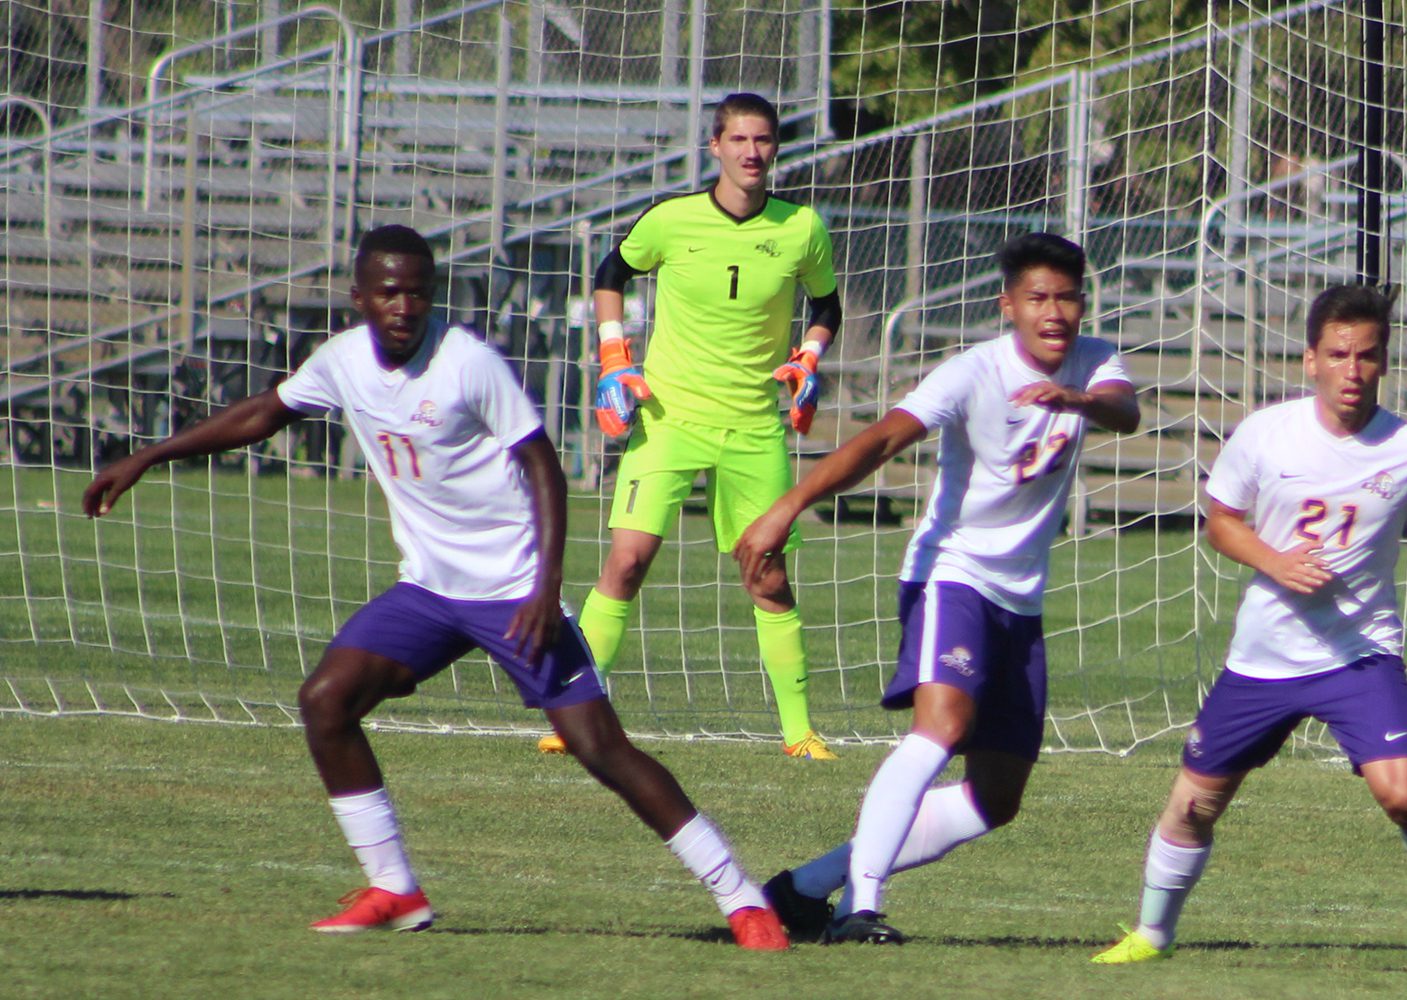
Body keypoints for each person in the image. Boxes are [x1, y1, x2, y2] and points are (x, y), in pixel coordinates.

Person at [82, 225, 789, 950]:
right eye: (388, 291)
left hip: (513, 590)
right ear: (360, 297)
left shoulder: (467, 363)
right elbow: (267, 411)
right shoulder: (343, 360)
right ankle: (395, 888)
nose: (404, 305)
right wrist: (149, 456)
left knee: (598, 747)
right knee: (327, 701)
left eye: (418, 292)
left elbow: (543, 464)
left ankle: (743, 900)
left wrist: (545, 587)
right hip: (428, 591)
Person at [735, 232, 1139, 944]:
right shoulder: (973, 371)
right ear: (1007, 304)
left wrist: (1075, 399)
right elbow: (881, 441)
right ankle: (860, 908)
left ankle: (804, 888)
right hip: (950, 576)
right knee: (941, 729)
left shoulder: (1097, 359)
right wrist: (785, 508)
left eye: (1068, 297)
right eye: (1037, 298)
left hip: (1022, 599)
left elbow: (1122, 410)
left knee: (995, 799)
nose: (1055, 312)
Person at [1091, 284, 1407, 977]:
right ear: (1311, 359)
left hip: (1360, 655)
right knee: (1193, 806)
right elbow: (1221, 521)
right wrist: (1276, 562)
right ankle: (1152, 934)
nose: (1352, 370)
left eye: (1367, 356)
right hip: (1264, 658)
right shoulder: (1266, 433)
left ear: (1383, 361)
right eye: (1338, 354)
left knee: (1403, 793)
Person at [538, 92, 842, 760]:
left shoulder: (802, 228)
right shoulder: (671, 220)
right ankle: (572, 713)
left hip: (754, 427)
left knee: (766, 576)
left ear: (775, 149)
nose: (752, 152)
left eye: (763, 141)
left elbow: (826, 303)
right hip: (670, 420)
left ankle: (800, 733)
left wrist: (809, 357)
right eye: (739, 140)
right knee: (627, 560)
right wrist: (615, 357)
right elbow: (611, 273)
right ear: (716, 147)